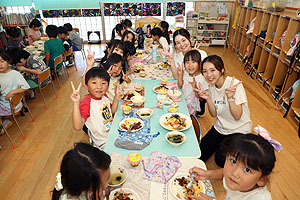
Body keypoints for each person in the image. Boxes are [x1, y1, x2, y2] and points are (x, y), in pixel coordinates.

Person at [194, 55, 252, 167]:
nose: (209, 75)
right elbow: (213, 114)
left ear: (222, 70)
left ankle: (241, 145)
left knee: (221, 159)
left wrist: (230, 97)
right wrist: (208, 99)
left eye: (213, 70)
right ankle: (224, 145)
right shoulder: (211, 86)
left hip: (238, 129)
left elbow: (237, 116)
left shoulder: (234, 84)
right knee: (199, 153)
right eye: (205, 71)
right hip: (220, 127)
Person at [188, 133, 277, 200]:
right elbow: (224, 172)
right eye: (233, 161)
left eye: (247, 170)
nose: (234, 173)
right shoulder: (236, 181)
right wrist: (207, 174)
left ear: (262, 179)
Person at [71, 68, 123, 150]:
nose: (99, 87)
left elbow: (111, 112)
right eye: (94, 83)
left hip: (113, 133)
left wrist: (116, 98)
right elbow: (78, 126)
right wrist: (76, 103)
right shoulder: (87, 102)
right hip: (102, 143)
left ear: (108, 86)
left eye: (103, 83)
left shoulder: (104, 97)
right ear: (87, 85)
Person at [161, 28, 208, 116]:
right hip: (185, 88)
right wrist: (171, 61)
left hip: (199, 90)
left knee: (198, 111)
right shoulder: (177, 56)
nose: (182, 45)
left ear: (189, 38)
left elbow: (207, 75)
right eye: (178, 43)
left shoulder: (201, 54)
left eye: (183, 40)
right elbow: (176, 77)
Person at [0, 49, 30, 117]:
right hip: (13, 103)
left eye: (2, 61)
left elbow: (26, 87)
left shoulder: (15, 74)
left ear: (8, 61)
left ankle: (4, 124)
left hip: (9, 107)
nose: (0, 64)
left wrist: (12, 92)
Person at [177, 50, 208, 115]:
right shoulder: (186, 74)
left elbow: (201, 99)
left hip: (192, 107)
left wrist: (195, 87)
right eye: (187, 62)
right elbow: (180, 86)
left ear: (200, 63)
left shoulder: (202, 79)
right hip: (183, 102)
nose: (190, 65)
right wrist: (180, 75)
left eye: (193, 62)